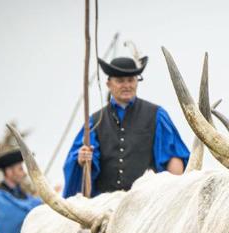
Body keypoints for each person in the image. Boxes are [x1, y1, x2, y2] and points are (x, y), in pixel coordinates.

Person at [63, 55, 190, 198]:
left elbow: (173, 156)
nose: (127, 85)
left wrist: (174, 194)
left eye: (131, 80)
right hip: (104, 205)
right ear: (109, 84)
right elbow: (79, 166)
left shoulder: (156, 115)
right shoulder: (94, 121)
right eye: (120, 81)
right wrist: (81, 159)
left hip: (145, 201)